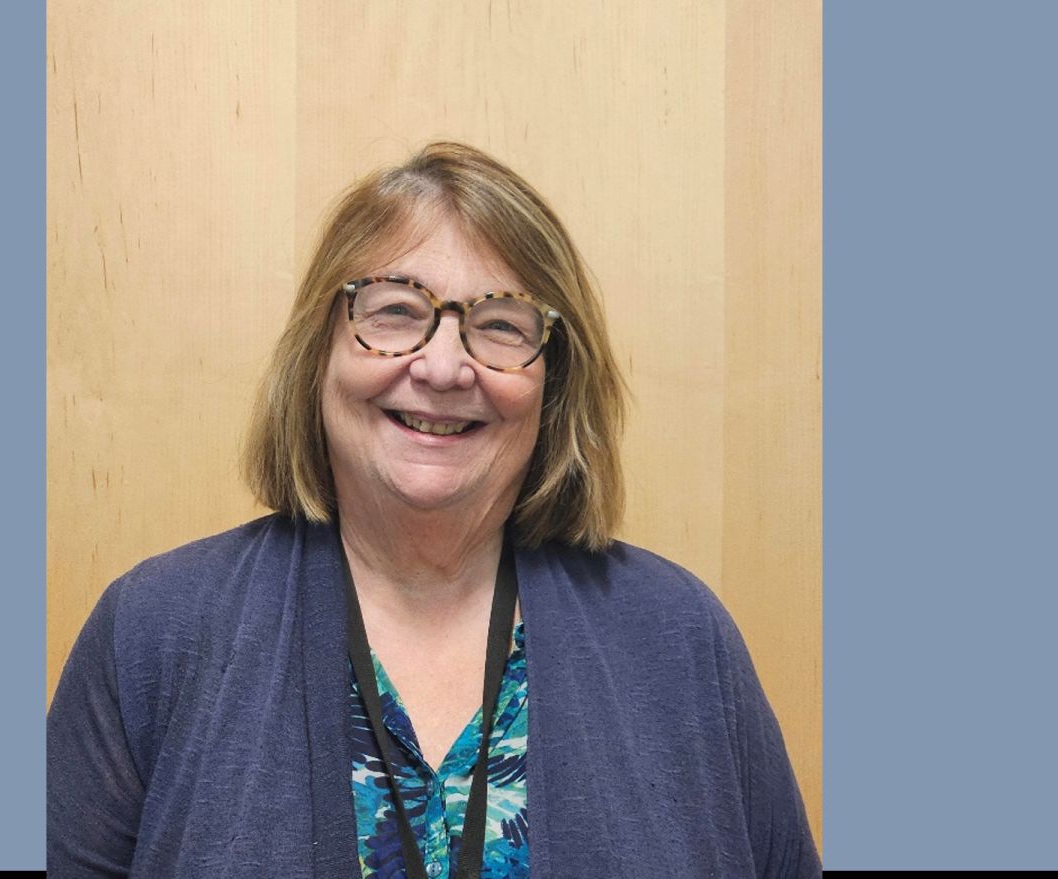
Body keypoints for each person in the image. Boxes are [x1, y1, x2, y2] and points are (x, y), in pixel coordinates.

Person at [47, 142, 821, 878]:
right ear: (320, 350)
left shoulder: (679, 638)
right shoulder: (153, 632)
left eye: (501, 325)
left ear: (553, 382)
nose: (445, 366)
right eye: (391, 311)